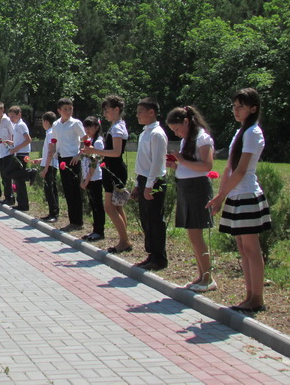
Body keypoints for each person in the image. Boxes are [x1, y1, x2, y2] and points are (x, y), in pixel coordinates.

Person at [207, 88, 270, 312]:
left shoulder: (253, 132)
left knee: (252, 249)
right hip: (236, 194)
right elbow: (230, 168)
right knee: (243, 248)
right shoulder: (241, 131)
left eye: (240, 106)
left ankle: (257, 298)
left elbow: (242, 170)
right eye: (234, 106)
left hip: (247, 194)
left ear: (253, 108)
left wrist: (221, 195)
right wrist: (221, 195)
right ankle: (250, 295)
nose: (236, 110)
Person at [167, 105, 216, 292]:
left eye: (177, 129)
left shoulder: (202, 138)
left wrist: (180, 159)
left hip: (198, 188)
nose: (177, 133)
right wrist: (175, 165)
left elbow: (206, 166)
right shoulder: (186, 140)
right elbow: (187, 166)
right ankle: (201, 275)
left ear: (186, 121)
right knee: (192, 235)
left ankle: (208, 278)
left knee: (197, 235)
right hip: (186, 187)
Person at [82, 95, 132, 254]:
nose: (105, 114)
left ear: (117, 110)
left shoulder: (117, 128)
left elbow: (116, 152)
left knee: (110, 207)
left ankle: (124, 241)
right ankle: (124, 239)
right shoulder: (116, 126)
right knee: (116, 207)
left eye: (108, 111)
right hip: (111, 169)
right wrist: (96, 154)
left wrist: (94, 151)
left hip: (115, 170)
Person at [132, 97, 169, 271]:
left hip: (154, 180)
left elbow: (157, 162)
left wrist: (149, 185)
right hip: (144, 178)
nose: (137, 115)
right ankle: (151, 253)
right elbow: (143, 161)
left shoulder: (157, 133)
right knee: (146, 218)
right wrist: (138, 184)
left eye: (141, 112)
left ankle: (159, 257)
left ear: (151, 112)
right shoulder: (144, 132)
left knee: (155, 219)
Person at [49, 98, 86, 232]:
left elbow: (85, 139)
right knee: (67, 190)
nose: (68, 111)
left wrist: (79, 154)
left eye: (70, 109)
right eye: (65, 109)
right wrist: (53, 150)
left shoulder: (76, 123)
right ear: (59, 111)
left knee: (75, 191)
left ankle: (78, 221)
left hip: (73, 159)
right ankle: (72, 220)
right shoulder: (56, 124)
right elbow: (54, 139)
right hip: (62, 158)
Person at [1, 106, 36, 212]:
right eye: (10, 117)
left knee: (7, 173)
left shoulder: (21, 125)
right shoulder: (16, 125)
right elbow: (20, 140)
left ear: (19, 115)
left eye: (13, 116)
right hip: (18, 153)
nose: (11, 119)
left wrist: (15, 149)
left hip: (22, 154)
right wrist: (11, 143)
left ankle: (30, 173)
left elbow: (28, 140)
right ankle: (23, 204)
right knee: (19, 180)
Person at [80, 116, 105, 242]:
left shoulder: (98, 142)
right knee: (93, 205)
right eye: (86, 127)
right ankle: (95, 229)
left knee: (97, 205)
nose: (87, 129)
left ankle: (99, 231)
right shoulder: (88, 140)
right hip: (88, 177)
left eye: (90, 127)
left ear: (96, 127)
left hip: (95, 178)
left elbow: (95, 163)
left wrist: (87, 179)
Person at [37, 111, 59, 222]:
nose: (42, 124)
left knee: (49, 189)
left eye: (42, 122)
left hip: (50, 165)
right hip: (49, 163)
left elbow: (51, 152)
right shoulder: (50, 132)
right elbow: (47, 153)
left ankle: (54, 214)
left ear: (46, 121)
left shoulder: (50, 133)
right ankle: (52, 212)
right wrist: (41, 160)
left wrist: (45, 168)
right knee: (50, 189)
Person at [0, 101, 15, 206]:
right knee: (3, 174)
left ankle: (10, 197)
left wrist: (12, 145)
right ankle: (7, 196)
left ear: (2, 110)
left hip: (8, 151)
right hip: (0, 151)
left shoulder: (7, 121)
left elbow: (13, 134)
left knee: (7, 174)